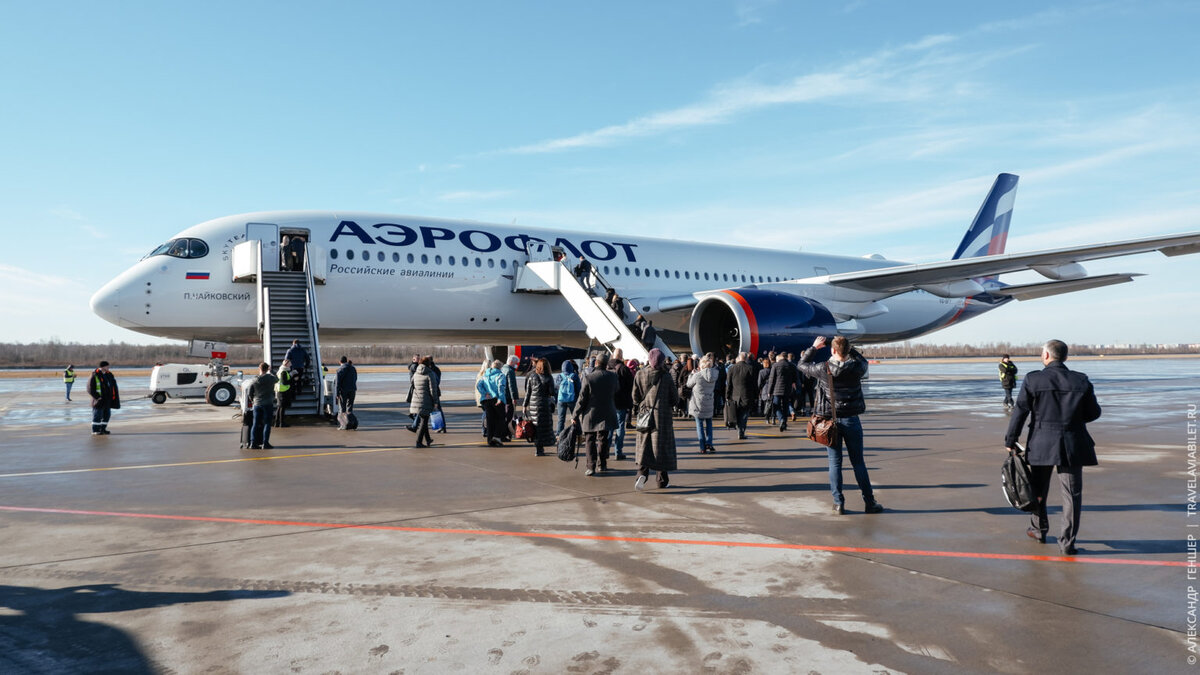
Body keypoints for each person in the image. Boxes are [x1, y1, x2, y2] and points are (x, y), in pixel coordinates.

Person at [1004, 340, 1101, 556]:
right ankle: (1067, 542)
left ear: (1047, 355)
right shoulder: (1080, 380)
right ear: (1064, 357)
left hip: (1041, 443)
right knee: (1072, 495)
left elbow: (1020, 411)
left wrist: (1010, 440)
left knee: (1038, 490)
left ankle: (1039, 530)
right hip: (1073, 443)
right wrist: (1074, 420)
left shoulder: (1033, 379)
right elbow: (1094, 413)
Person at [798, 336, 883, 515]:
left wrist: (814, 347)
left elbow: (802, 365)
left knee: (834, 463)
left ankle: (838, 503)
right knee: (858, 463)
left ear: (833, 351)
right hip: (852, 419)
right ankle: (869, 502)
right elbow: (862, 360)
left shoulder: (823, 368)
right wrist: (847, 348)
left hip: (831, 421)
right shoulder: (857, 368)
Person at [632, 348, 679, 490]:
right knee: (661, 447)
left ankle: (642, 474)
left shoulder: (640, 374)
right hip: (662, 417)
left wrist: (643, 404)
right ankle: (662, 480)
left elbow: (635, 397)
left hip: (644, 415)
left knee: (644, 445)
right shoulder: (666, 377)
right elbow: (675, 399)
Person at [574, 352, 619, 476]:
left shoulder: (589, 378)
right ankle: (602, 464)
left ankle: (591, 466)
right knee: (603, 439)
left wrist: (575, 414)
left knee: (589, 440)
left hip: (591, 413)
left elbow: (582, 398)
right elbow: (617, 390)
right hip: (607, 411)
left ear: (596, 363)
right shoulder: (613, 376)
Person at [523, 357, 557, 456]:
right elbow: (551, 392)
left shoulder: (532, 376)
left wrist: (525, 405)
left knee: (535, 426)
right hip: (544, 404)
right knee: (544, 427)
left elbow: (528, 392)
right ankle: (541, 447)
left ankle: (538, 448)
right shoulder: (549, 377)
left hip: (533, 405)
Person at [687, 353, 720, 453]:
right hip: (709, 401)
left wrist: (692, 374)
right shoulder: (715, 374)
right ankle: (709, 442)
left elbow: (689, 384)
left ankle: (702, 447)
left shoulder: (697, 375)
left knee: (699, 424)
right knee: (709, 423)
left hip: (698, 402)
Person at [408, 356, 441, 448]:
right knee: (424, 421)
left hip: (417, 400)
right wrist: (435, 402)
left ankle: (428, 439)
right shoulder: (430, 374)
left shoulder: (416, 373)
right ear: (428, 364)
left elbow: (412, 383)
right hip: (426, 401)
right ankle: (418, 442)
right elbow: (433, 390)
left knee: (423, 420)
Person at [608, 348, 634, 460]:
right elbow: (631, 386)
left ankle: (605, 450)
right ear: (621, 356)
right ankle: (618, 452)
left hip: (608, 402)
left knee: (609, 427)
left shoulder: (607, 367)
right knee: (620, 427)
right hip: (621, 402)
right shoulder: (624, 369)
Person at [725, 353, 757, 440]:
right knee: (744, 415)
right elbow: (754, 384)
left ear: (738, 358)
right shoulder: (750, 368)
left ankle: (739, 429)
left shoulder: (732, 368)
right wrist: (756, 395)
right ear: (746, 359)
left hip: (734, 395)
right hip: (747, 395)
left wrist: (727, 395)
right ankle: (741, 431)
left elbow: (729, 384)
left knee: (737, 414)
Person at [247, 362, 278, 450]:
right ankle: (265, 443)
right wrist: (272, 371)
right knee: (267, 423)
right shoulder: (271, 378)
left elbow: (250, 392)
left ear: (259, 368)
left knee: (255, 424)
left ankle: (252, 443)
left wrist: (253, 400)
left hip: (257, 404)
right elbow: (278, 379)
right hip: (268, 403)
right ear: (267, 369)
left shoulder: (254, 379)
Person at [476, 360, 506, 446]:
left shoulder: (485, 375)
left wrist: (484, 393)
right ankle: (497, 436)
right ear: (500, 367)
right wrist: (500, 398)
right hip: (496, 399)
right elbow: (501, 387)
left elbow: (479, 385)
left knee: (490, 420)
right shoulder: (500, 375)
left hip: (486, 400)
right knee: (501, 418)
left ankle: (490, 439)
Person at [766, 353, 798, 431]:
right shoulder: (792, 365)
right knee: (785, 406)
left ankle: (781, 419)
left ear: (780, 357)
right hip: (787, 389)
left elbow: (772, 379)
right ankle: (784, 422)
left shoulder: (775, 365)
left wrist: (769, 391)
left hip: (776, 390)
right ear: (786, 357)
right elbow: (795, 377)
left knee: (776, 406)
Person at [87, 361, 119, 435]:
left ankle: (103, 429)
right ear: (103, 367)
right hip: (98, 400)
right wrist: (97, 397)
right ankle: (95, 430)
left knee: (107, 415)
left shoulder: (109, 375)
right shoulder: (94, 375)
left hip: (107, 400)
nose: (108, 368)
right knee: (97, 415)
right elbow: (90, 388)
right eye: (107, 366)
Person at [554, 360, 580, 436]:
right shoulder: (574, 376)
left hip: (561, 400)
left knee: (561, 419)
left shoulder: (559, 376)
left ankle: (559, 435)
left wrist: (557, 400)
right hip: (572, 399)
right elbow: (578, 388)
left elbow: (556, 388)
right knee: (575, 417)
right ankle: (578, 434)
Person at [501, 355, 520, 441]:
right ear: (512, 362)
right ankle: (504, 434)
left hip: (503, 396)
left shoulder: (503, 369)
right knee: (509, 416)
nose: (516, 365)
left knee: (504, 415)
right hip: (508, 397)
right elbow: (512, 386)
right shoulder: (510, 371)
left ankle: (505, 433)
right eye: (516, 363)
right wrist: (514, 398)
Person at [274, 359, 295, 427]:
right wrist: (293, 379)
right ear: (286, 364)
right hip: (283, 391)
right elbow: (284, 382)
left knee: (279, 407)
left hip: (280, 390)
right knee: (282, 408)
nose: (291, 364)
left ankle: (277, 422)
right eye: (290, 363)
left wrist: (290, 375)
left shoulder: (282, 370)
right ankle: (281, 423)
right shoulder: (283, 371)